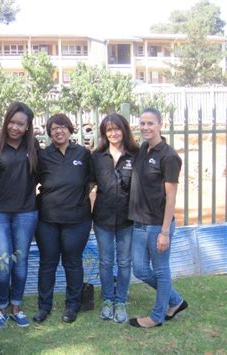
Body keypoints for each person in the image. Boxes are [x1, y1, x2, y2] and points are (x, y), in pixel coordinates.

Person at [128, 107, 188, 328]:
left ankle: (157, 316)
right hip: (139, 223)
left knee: (161, 270)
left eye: (150, 123)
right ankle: (175, 301)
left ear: (160, 125)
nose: (145, 127)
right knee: (140, 270)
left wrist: (164, 232)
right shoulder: (143, 149)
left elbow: (171, 198)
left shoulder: (169, 156)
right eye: (142, 123)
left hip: (157, 226)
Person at [32, 113, 93, 325]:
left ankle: (72, 305)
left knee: (72, 263)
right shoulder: (43, 156)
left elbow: (92, 181)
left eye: (62, 127)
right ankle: (44, 307)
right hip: (47, 219)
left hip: (77, 219)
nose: (58, 131)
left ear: (70, 129)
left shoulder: (83, 154)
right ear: (49, 133)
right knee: (47, 263)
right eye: (54, 128)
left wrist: (78, 198)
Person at [0, 101, 39, 329]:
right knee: (3, 263)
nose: (15, 127)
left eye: (20, 124)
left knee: (21, 261)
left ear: (27, 126)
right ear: (6, 122)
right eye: (12, 122)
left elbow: (39, 175)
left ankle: (16, 307)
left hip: (26, 213)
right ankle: (1, 308)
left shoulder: (33, 146)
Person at [91, 113, 139, 323]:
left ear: (124, 130)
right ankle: (107, 300)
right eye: (108, 130)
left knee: (124, 262)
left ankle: (120, 301)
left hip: (127, 220)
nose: (113, 133)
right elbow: (88, 185)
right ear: (104, 133)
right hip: (102, 219)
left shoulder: (135, 155)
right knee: (106, 261)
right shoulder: (97, 157)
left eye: (117, 128)